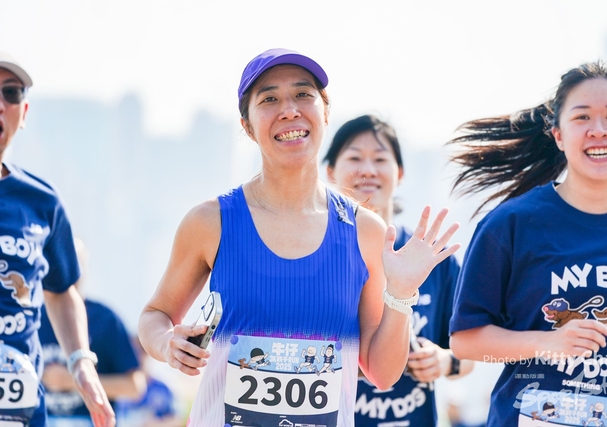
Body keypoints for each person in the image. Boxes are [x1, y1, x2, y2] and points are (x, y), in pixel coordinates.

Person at [137, 48, 461, 427]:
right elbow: (155, 316)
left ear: (325, 113)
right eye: (269, 99)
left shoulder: (365, 230)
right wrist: (167, 343)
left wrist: (402, 293)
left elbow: (382, 373)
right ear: (247, 126)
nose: (289, 110)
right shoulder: (210, 222)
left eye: (303, 94)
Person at [447, 60, 607, 426]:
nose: (599, 130)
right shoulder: (512, 224)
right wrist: (547, 343)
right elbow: (465, 342)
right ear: (558, 136)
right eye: (582, 117)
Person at [324, 114, 473, 427]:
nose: (368, 170)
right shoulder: (314, 257)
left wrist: (444, 361)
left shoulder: (431, 259)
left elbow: (472, 349)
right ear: (330, 172)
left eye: (380, 159)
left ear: (400, 173)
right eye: (354, 158)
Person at [0, 50, 115, 426]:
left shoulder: (42, 200)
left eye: (11, 93)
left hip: (20, 409)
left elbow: (62, 291)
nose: (0, 104)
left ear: (23, 112)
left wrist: (81, 363)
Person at [39, 239, 146, 426]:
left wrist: (72, 381)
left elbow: (135, 386)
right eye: (59, 260)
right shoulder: (31, 318)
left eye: (74, 261)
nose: (65, 268)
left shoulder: (106, 320)